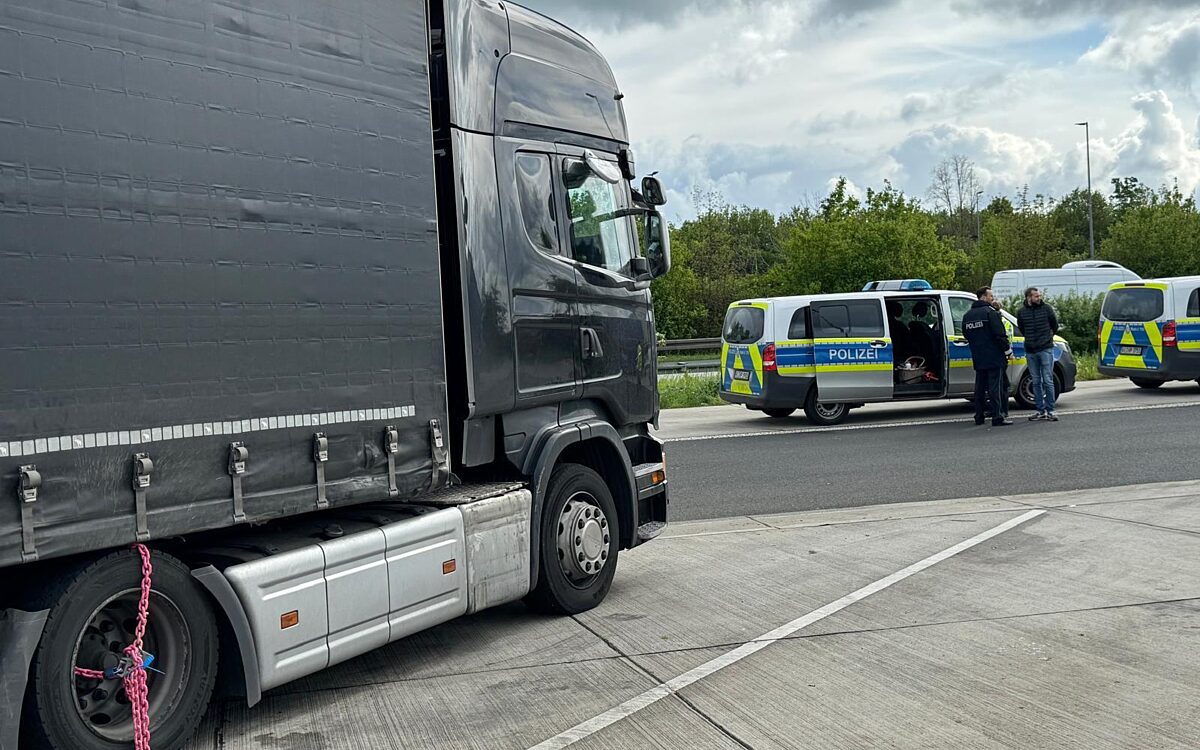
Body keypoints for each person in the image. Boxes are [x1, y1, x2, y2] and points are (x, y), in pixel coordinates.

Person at [963, 287, 1013, 427]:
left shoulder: (968, 315)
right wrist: (1008, 351)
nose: (992, 298)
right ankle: (998, 416)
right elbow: (1000, 335)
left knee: (979, 388)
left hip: (978, 357)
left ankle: (979, 416)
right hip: (994, 357)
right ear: (984, 297)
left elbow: (966, 334)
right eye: (991, 296)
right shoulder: (991, 313)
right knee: (995, 388)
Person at [1017, 286, 1060, 422]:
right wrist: (1030, 340)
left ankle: (1051, 410)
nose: (1039, 298)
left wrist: (1048, 338)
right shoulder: (1021, 312)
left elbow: (1055, 325)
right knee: (1036, 381)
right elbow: (1022, 328)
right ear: (1029, 297)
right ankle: (1040, 410)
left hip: (1045, 348)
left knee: (1048, 379)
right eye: (1036, 296)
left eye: (1039, 296)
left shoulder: (1046, 309)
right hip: (1030, 350)